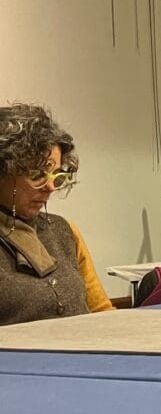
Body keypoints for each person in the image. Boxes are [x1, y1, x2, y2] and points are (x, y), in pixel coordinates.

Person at [0, 103, 114, 325]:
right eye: (37, 175)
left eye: (57, 175)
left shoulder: (64, 230)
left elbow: (101, 310)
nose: (50, 187)